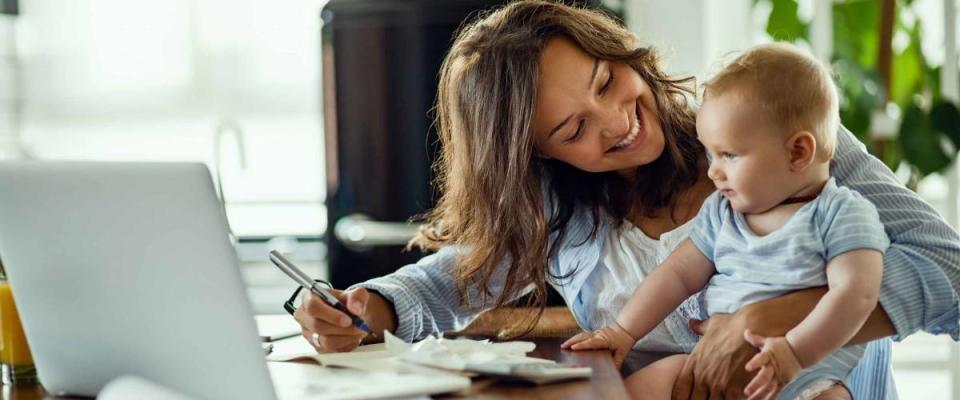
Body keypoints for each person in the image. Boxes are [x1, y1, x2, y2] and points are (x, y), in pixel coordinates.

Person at [293, 1, 960, 398]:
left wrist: (784, 313)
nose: (617, 121)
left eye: (607, 81)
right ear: (540, 155)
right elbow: (452, 278)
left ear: (619, 51)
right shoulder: (563, 210)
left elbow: (951, 276)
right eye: (572, 129)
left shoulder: (777, 132)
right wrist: (366, 305)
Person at [562, 43, 887, 400]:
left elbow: (857, 296)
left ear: (798, 152)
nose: (714, 171)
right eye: (710, 153)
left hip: (808, 375)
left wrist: (794, 352)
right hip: (709, 367)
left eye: (729, 155)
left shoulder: (842, 214)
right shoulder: (723, 213)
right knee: (639, 389)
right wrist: (623, 331)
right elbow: (677, 274)